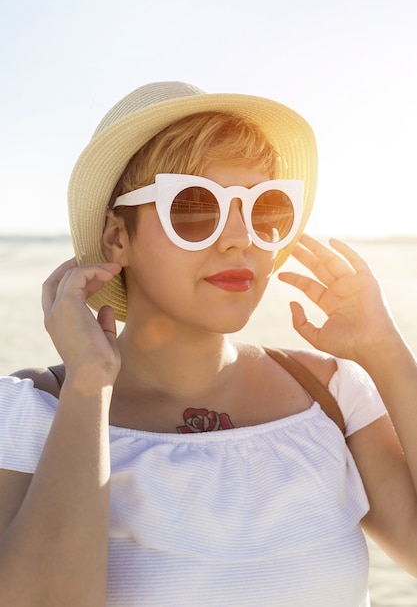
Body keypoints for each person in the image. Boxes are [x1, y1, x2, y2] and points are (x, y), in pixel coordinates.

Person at [0, 81, 416, 607]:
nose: (239, 237)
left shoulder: (332, 396)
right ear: (116, 237)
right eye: (194, 207)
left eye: (265, 208)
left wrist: (384, 350)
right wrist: (88, 384)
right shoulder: (34, 411)